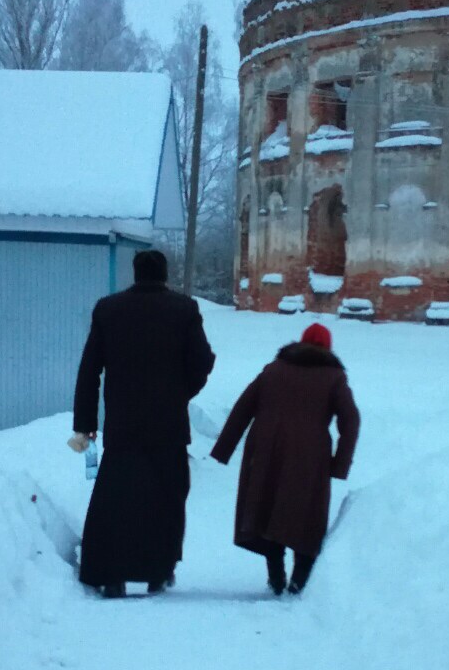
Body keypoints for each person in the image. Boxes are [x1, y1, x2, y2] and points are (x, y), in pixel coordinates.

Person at [70, 249, 215, 598]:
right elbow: (202, 362)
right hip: (168, 426)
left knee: (118, 498)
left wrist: (86, 423)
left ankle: (111, 574)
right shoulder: (184, 309)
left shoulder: (109, 309)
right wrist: (179, 393)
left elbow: (90, 370)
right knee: (167, 497)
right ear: (164, 274)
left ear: (135, 274)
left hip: (123, 424)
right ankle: (158, 571)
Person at [211, 322, 360, 596]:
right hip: (310, 457)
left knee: (267, 510)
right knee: (306, 515)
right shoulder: (334, 376)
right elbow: (351, 420)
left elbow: (243, 407)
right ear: (328, 348)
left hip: (266, 451)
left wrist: (224, 449)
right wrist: (339, 465)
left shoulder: (273, 370)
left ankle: (276, 577)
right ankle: (299, 580)